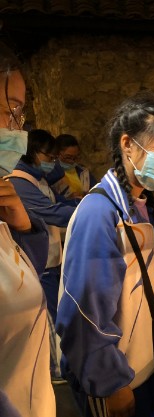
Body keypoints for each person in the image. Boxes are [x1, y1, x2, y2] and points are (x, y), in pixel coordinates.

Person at [56, 90, 154, 417]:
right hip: (115, 377)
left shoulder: (137, 204)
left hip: (141, 367)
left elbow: (128, 281)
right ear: (128, 144)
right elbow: (82, 312)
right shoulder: (99, 212)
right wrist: (110, 383)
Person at [0, 42, 56, 417]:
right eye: (9, 110)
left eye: (18, 113)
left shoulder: (6, 203)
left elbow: (22, 279)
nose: (16, 128)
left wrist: (22, 227)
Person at [8, 128, 78, 381]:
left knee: (58, 313)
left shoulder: (37, 179)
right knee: (50, 318)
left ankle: (64, 364)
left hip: (51, 258)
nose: (52, 162)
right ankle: (57, 369)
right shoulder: (18, 181)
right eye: (49, 157)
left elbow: (59, 203)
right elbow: (51, 213)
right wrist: (89, 209)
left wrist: (81, 202)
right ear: (33, 153)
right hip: (39, 263)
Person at [52, 133, 97, 199]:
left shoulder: (84, 172)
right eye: (68, 157)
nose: (72, 161)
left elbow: (96, 191)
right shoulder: (51, 173)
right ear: (57, 154)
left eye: (75, 158)